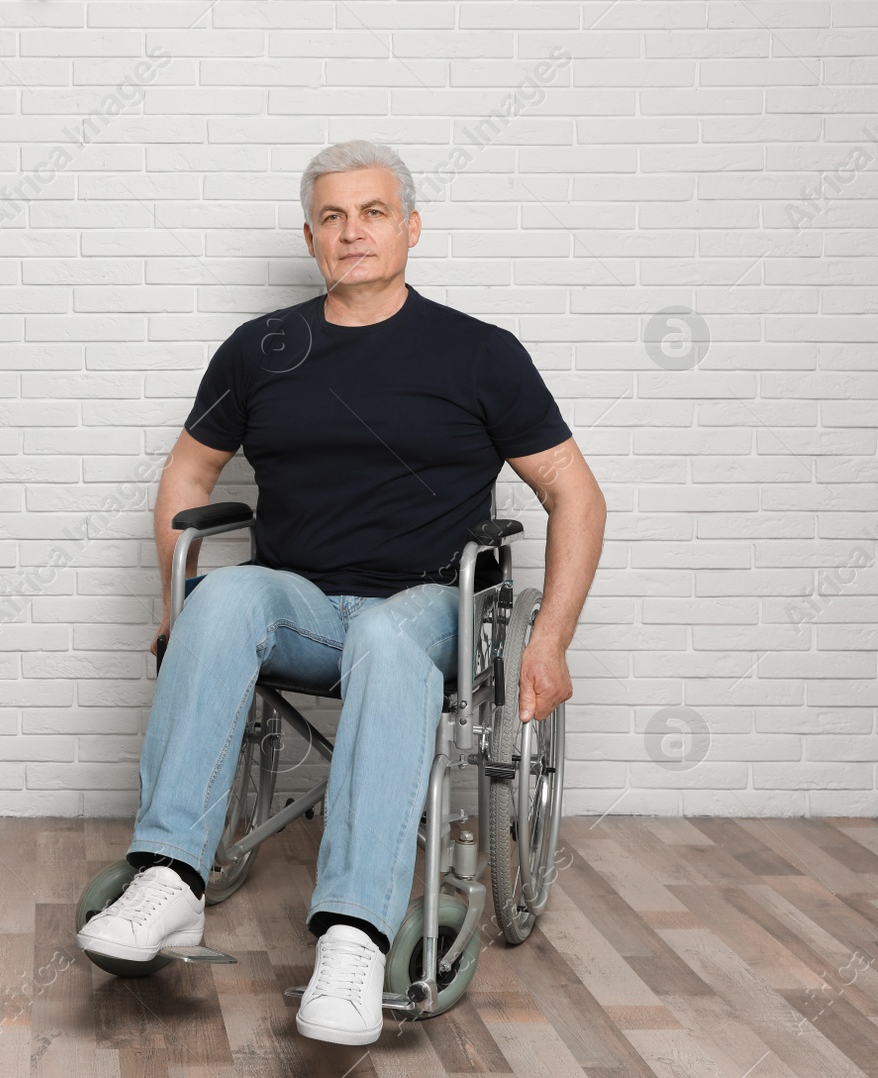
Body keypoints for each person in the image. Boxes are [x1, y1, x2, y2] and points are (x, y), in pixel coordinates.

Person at [75, 140, 606, 1046]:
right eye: (332, 217)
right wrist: (177, 612)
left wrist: (549, 639)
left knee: (388, 638)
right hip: (309, 610)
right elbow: (185, 475)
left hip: (431, 609)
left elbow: (575, 495)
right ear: (312, 236)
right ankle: (168, 877)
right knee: (225, 599)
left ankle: (354, 937)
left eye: (371, 212)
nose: (352, 232)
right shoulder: (261, 351)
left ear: (410, 226)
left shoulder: (479, 354)